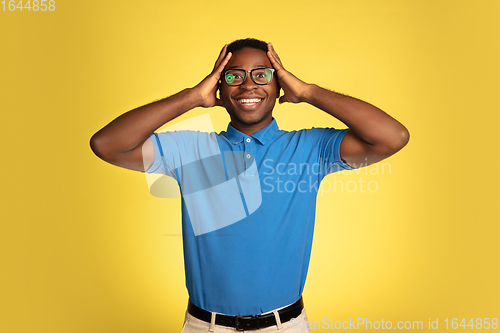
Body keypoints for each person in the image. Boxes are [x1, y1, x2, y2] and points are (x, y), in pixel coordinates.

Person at [90, 38, 409, 332]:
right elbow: (108, 144)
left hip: (285, 326)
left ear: (278, 83)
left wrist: (308, 92)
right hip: (205, 326)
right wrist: (192, 97)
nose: (247, 85)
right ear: (219, 86)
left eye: (261, 74)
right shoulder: (190, 151)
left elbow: (392, 137)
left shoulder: (310, 147)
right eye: (233, 76)